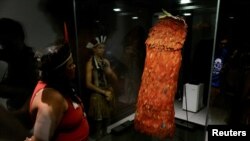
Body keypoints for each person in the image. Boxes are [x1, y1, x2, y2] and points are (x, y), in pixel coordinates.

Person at [27, 41, 89, 141]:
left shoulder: (60, 85)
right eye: (70, 65)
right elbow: (40, 139)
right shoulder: (52, 101)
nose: (74, 66)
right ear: (59, 73)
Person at [0, 18, 38, 129]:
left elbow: (33, 91)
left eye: (4, 43)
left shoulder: (28, 61)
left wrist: (5, 89)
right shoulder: (16, 56)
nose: (3, 48)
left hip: (24, 115)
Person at [85, 35, 118, 140]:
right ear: (94, 49)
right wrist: (103, 92)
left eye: (103, 47)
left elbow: (113, 78)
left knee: (107, 118)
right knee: (98, 121)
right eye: (100, 47)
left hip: (107, 91)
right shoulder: (90, 63)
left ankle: (106, 135)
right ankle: (99, 137)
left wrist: (110, 72)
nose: (102, 50)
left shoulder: (106, 62)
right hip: (98, 94)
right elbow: (88, 84)